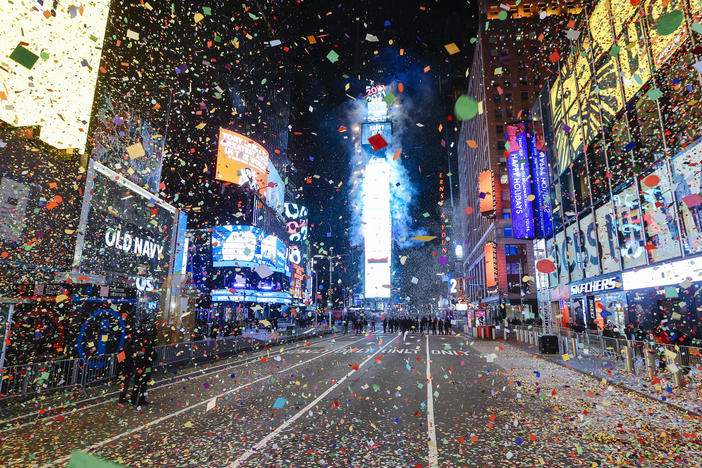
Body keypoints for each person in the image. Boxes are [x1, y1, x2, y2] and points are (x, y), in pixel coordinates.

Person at [117, 333, 136, 405]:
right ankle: (122, 398)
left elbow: (120, 361)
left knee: (124, 384)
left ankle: (122, 397)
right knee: (125, 384)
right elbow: (124, 360)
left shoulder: (122, 349)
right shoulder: (127, 349)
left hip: (124, 369)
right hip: (126, 369)